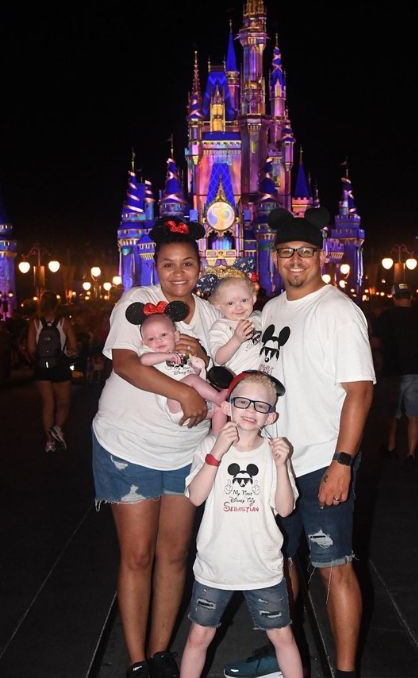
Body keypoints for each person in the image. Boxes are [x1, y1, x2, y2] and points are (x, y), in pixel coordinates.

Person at [225, 208, 375, 678]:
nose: (295, 261)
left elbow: (360, 391)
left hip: (321, 460)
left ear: (322, 256)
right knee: (281, 562)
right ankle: (283, 654)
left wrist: (343, 462)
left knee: (334, 567)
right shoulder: (270, 309)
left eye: (305, 253)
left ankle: (345, 671)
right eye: (286, 252)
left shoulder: (338, 311)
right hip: (277, 463)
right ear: (274, 258)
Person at [92, 216, 221, 678]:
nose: (179, 273)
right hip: (130, 444)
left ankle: (162, 648)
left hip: (185, 451)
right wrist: (184, 393)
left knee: (174, 553)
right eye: (169, 264)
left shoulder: (209, 314)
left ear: (199, 264)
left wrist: (204, 360)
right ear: (155, 265)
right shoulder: (139, 303)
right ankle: (137, 659)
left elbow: (225, 367)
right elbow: (126, 364)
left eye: (188, 263)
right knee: (138, 555)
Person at [180, 372, 302, 678]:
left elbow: (286, 508)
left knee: (282, 636)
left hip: (262, 566)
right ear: (227, 407)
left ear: (271, 416)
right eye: (243, 402)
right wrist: (217, 452)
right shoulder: (209, 445)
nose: (250, 410)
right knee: (198, 636)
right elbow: (195, 497)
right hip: (214, 565)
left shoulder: (275, 451)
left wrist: (281, 465)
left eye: (261, 406)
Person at [131, 304, 228, 433]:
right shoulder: (151, 355)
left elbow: (190, 375)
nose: (158, 340)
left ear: (176, 336)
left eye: (164, 335)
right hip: (173, 403)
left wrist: (196, 370)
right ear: (144, 343)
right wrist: (167, 356)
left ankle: (218, 440)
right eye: (151, 339)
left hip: (197, 403)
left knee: (219, 410)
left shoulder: (182, 356)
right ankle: (217, 397)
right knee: (193, 380)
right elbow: (143, 360)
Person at [371, 281, 418, 470]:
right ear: (410, 297)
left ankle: (391, 447)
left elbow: (375, 343)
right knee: (414, 414)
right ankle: (411, 453)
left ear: (394, 296)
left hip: (393, 371)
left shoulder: (386, 317)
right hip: (415, 371)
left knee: (392, 415)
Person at [26, 291, 77, 452]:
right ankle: (57, 427)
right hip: (60, 366)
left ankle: (49, 443)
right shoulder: (64, 323)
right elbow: (73, 348)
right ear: (57, 305)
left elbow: (31, 349)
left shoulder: (34, 323)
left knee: (48, 404)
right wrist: (69, 352)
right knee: (64, 403)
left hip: (42, 367)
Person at [208, 274, 262, 374]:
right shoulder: (220, 327)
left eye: (244, 300)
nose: (239, 307)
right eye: (230, 303)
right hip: (240, 378)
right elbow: (218, 358)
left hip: (265, 375)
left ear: (253, 298)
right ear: (218, 305)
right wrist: (236, 340)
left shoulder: (259, 318)